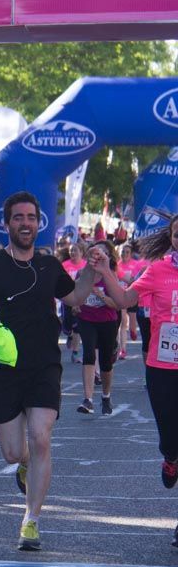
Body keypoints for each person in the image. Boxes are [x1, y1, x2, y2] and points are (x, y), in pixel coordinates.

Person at [0, 191, 101, 551]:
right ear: (7, 223)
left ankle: (31, 520)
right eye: (19, 218)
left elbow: (74, 298)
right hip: (5, 368)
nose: (26, 223)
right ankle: (24, 463)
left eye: (31, 217)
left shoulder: (49, 267)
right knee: (14, 452)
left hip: (45, 364)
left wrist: (93, 269)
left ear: (38, 222)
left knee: (41, 435)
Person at [96, 216, 178, 547]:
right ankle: (170, 458)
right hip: (162, 367)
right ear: (172, 237)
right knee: (172, 439)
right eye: (177, 233)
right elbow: (125, 300)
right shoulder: (158, 270)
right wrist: (105, 273)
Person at [75, 240, 120, 415]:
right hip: (86, 319)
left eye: (102, 253)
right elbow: (75, 296)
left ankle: (106, 396)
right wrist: (75, 305)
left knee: (106, 362)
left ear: (107, 257)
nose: (98, 255)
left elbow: (116, 305)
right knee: (88, 353)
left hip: (107, 321)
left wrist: (100, 295)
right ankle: (88, 400)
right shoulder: (82, 274)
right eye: (95, 252)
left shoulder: (111, 277)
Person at [115, 243, 141, 359]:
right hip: (121, 296)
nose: (124, 254)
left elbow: (139, 279)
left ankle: (133, 331)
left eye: (127, 252)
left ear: (131, 254)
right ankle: (122, 349)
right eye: (122, 251)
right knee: (123, 322)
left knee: (131, 325)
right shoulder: (116, 265)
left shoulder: (136, 265)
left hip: (133, 296)